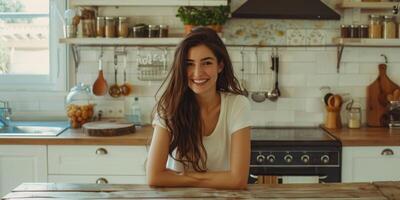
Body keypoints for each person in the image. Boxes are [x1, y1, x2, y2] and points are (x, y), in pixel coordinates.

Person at [146, 27, 251, 190]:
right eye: (189, 64)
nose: (197, 73)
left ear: (220, 66)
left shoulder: (237, 104)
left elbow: (238, 180)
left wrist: (182, 176)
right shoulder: (170, 105)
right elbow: (154, 176)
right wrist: (217, 178)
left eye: (207, 63)